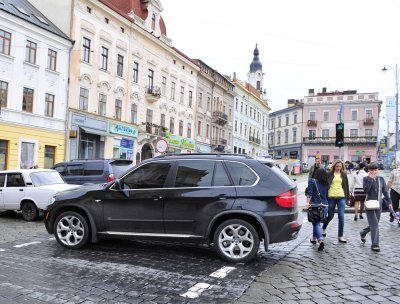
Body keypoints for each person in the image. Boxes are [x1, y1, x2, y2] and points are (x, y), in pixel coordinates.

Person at [361, 163, 392, 252]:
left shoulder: (381, 179)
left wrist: (389, 202)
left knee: (375, 224)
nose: (374, 172)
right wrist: (371, 179)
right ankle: (375, 244)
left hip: (379, 204)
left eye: (375, 170)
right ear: (368, 171)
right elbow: (365, 190)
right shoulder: (366, 179)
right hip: (369, 204)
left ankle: (363, 232)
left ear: (377, 170)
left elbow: (385, 192)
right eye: (371, 170)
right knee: (375, 225)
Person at [321, 159, 350, 243]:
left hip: (341, 196)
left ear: (342, 167)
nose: (338, 168)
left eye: (340, 166)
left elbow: (346, 187)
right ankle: (324, 227)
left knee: (341, 216)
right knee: (330, 216)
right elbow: (325, 185)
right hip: (331, 197)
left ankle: (340, 236)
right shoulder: (329, 174)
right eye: (337, 166)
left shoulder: (343, 174)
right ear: (334, 166)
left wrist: (347, 198)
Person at [306, 168, 329, 251]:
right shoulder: (327, 183)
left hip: (315, 205)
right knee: (317, 222)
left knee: (316, 224)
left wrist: (307, 203)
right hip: (325, 206)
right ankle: (313, 238)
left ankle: (320, 239)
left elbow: (309, 193)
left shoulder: (312, 181)